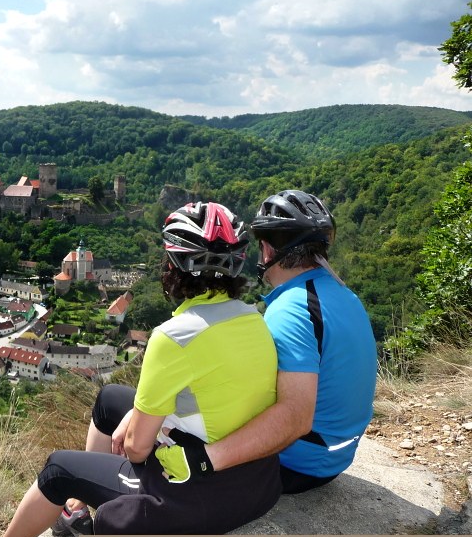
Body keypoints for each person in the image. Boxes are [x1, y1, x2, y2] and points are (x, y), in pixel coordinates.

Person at [0, 201, 281, 537]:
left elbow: (137, 449)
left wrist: (142, 429)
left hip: (197, 493)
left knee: (58, 469)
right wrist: (144, 416)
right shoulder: (254, 319)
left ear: (174, 267)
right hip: (254, 481)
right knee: (111, 399)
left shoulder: (174, 337)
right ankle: (78, 510)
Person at [157, 190, 377, 494]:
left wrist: (206, 459)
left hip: (295, 466)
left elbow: (295, 418)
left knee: (153, 417)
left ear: (267, 251)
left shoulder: (290, 310)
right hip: (334, 457)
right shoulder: (344, 295)